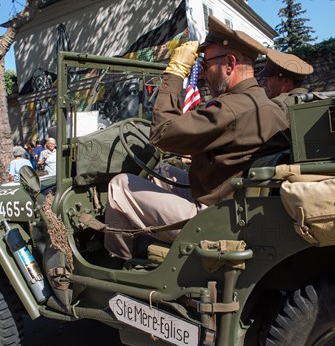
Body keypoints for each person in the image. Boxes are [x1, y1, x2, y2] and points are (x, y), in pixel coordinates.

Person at [104, 16, 291, 260]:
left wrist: (175, 73)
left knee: (119, 187)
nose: (202, 73)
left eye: (205, 63)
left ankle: (119, 268)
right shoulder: (265, 105)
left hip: (216, 218)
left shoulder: (230, 109)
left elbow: (161, 133)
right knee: (160, 172)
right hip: (233, 203)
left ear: (230, 64)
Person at [259, 48, 314, 114]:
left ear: (286, 82)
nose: (264, 83)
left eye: (268, 79)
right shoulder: (313, 99)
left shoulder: (278, 106)